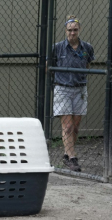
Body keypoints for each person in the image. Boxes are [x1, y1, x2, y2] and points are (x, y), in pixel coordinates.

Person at [51, 15, 95, 172]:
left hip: (80, 89)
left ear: (79, 30)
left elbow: (88, 63)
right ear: (65, 30)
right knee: (68, 126)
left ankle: (66, 153)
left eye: (75, 30)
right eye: (69, 30)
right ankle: (72, 158)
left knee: (75, 127)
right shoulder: (57, 48)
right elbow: (49, 66)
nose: (72, 33)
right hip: (62, 88)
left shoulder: (87, 48)